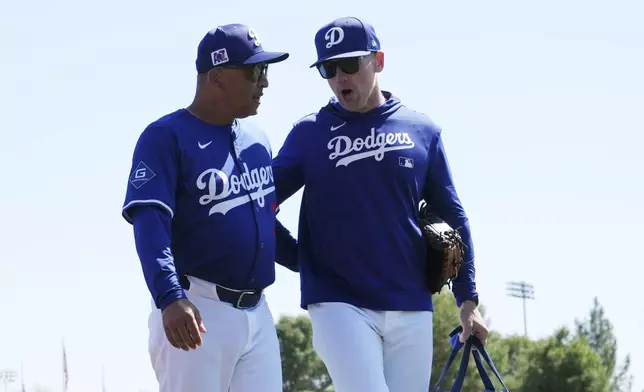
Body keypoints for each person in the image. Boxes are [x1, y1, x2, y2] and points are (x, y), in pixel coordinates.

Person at [271, 16, 488, 392]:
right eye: (328, 68)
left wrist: (468, 301)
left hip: (411, 301)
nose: (340, 77)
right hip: (339, 301)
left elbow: (455, 217)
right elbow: (257, 206)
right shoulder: (310, 134)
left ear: (379, 61)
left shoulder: (422, 131)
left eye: (350, 65)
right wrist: (299, 258)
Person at [121, 23, 290, 392]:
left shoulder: (257, 140)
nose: (264, 82)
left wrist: (325, 261)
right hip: (197, 307)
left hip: (258, 314)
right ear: (216, 77)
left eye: (265, 71)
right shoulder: (165, 136)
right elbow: (149, 222)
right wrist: (169, 297)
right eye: (254, 71)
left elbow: (266, 226)